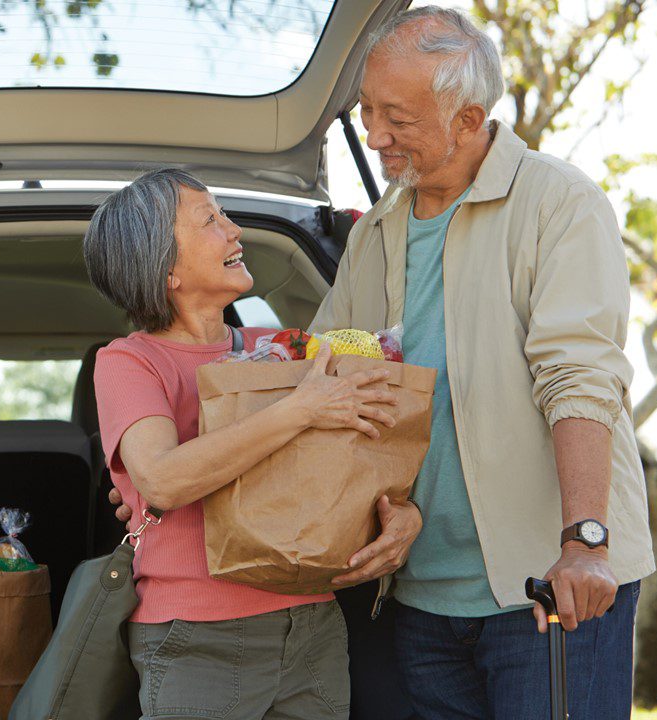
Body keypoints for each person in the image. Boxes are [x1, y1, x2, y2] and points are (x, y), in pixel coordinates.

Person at [113, 6, 655, 717]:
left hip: (548, 586)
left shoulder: (557, 204)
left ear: (467, 117)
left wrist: (585, 540)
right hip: (417, 601)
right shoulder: (377, 235)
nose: (373, 135)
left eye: (395, 116)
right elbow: (331, 376)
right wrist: (390, 510)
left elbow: (580, 376)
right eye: (367, 112)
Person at [84, 167, 423, 719]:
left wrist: (405, 512)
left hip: (311, 625)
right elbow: (163, 481)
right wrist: (301, 409)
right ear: (166, 268)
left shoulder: (284, 347)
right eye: (210, 220)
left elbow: (354, 464)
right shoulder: (130, 361)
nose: (234, 229)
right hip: (197, 637)